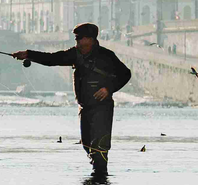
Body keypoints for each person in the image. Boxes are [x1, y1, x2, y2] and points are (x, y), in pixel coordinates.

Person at [12, 23, 131, 176]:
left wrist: (109, 88)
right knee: (87, 144)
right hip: (84, 107)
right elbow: (52, 59)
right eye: (76, 38)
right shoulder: (75, 54)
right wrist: (28, 54)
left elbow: (125, 74)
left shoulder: (107, 56)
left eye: (80, 38)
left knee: (100, 146)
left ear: (90, 39)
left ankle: (100, 181)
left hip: (102, 107)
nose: (77, 41)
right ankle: (97, 179)